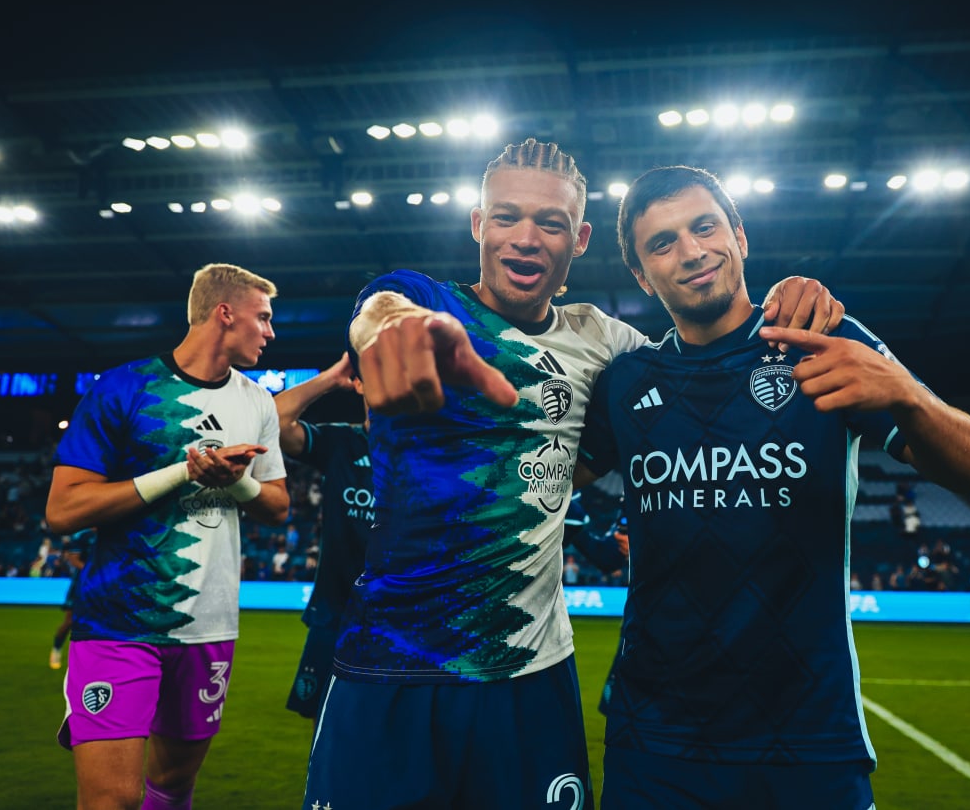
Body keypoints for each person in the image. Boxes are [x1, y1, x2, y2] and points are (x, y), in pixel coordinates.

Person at [301, 138, 842, 810]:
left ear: (579, 238)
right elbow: (380, 308)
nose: (525, 238)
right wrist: (390, 328)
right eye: (506, 217)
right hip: (389, 667)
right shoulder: (423, 300)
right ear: (478, 224)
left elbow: (703, 364)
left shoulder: (604, 342)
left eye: (549, 223)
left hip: (532, 677)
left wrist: (788, 295)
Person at [575, 165, 970, 809]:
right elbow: (540, 484)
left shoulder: (818, 341)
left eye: (704, 227)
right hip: (654, 740)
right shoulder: (626, 383)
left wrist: (905, 393)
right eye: (661, 243)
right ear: (641, 274)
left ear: (739, 236)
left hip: (807, 737)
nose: (690, 252)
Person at [45, 263, 290, 810]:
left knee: (174, 786)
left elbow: (278, 505)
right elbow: (63, 510)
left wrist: (238, 482)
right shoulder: (124, 388)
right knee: (112, 799)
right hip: (118, 621)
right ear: (225, 313)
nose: (271, 332)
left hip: (210, 626)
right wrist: (185, 472)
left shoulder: (257, 403)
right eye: (264, 317)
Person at [273, 353, 370, 730]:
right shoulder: (341, 442)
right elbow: (275, 420)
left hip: (404, 619)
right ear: (358, 383)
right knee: (327, 730)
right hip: (336, 614)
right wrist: (331, 377)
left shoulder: (427, 451)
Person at [49, 530, 93, 670]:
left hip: (103, 584)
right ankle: (56, 649)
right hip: (81, 583)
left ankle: (91, 659)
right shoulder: (82, 536)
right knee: (70, 621)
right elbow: (73, 558)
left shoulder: (111, 531)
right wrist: (93, 571)